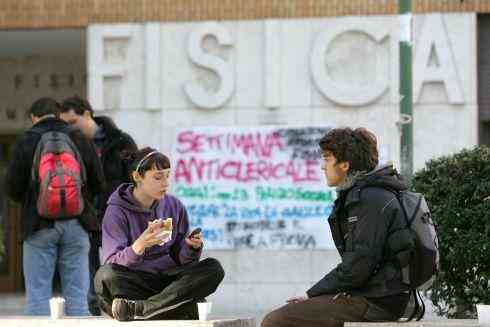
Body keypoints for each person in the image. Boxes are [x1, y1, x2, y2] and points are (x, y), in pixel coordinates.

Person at [261, 127, 414, 327]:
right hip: (374, 294)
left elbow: (358, 266)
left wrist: (311, 294)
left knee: (276, 321)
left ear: (344, 165)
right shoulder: (366, 195)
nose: (323, 167)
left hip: (379, 301)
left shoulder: (370, 199)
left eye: (326, 159)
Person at [94, 147, 225, 321]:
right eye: (158, 177)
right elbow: (111, 263)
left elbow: (181, 260)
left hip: (168, 282)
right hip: (136, 282)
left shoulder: (174, 205)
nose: (165, 183)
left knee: (213, 268)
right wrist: (139, 246)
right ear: (137, 177)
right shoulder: (116, 211)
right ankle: (175, 307)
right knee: (104, 277)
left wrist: (190, 248)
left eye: (167, 176)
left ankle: (143, 309)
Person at [6, 98, 104, 315]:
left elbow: (12, 187)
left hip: (38, 225)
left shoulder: (27, 139)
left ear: (34, 117)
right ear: (59, 114)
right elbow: (98, 182)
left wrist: (34, 201)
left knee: (38, 296)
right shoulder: (78, 137)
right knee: (78, 297)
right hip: (78, 223)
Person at [59, 95, 137, 315]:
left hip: (117, 218)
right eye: (65, 124)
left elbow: (136, 179)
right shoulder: (69, 146)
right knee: (88, 276)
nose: (70, 128)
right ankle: (93, 314)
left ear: (87, 113)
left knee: (122, 269)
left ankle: (124, 310)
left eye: (73, 122)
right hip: (86, 218)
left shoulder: (121, 141)